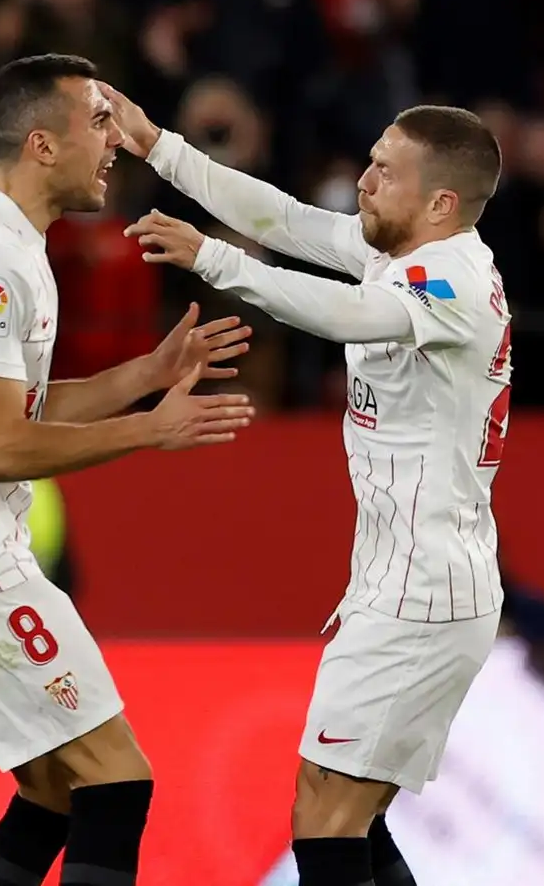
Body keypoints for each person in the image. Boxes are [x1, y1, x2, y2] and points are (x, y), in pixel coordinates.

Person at [0, 54, 255, 886]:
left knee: (53, 789)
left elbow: (23, 406)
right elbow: (3, 447)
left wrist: (144, 375)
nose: (115, 143)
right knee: (115, 779)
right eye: (99, 123)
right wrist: (150, 430)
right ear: (43, 143)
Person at [118, 93, 508, 886]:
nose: (363, 180)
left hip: (423, 591)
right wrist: (160, 147)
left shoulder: (453, 282)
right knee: (346, 813)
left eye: (384, 172)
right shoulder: (402, 253)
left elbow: (344, 315)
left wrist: (213, 259)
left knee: (325, 815)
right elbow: (287, 219)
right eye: (370, 160)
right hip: (405, 580)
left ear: (441, 201)